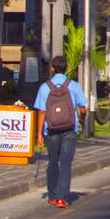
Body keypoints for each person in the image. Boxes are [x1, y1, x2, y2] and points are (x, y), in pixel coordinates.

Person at [33, 55, 89, 208]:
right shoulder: (73, 86)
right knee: (65, 163)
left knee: (53, 162)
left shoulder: (45, 87)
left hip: (51, 130)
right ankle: (61, 197)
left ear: (52, 69)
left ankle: (52, 194)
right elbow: (83, 107)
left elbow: (42, 112)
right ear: (66, 68)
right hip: (69, 129)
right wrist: (82, 119)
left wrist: (39, 134)